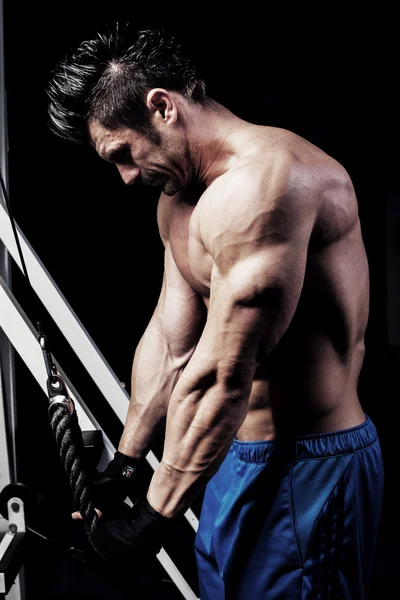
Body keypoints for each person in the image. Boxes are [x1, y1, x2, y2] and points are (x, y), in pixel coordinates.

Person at [47, 24, 384, 599]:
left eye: (124, 154)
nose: (126, 177)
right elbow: (169, 341)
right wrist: (127, 462)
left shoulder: (269, 186)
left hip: (306, 467)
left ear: (162, 108)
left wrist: (153, 518)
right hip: (227, 455)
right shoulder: (178, 201)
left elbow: (226, 373)